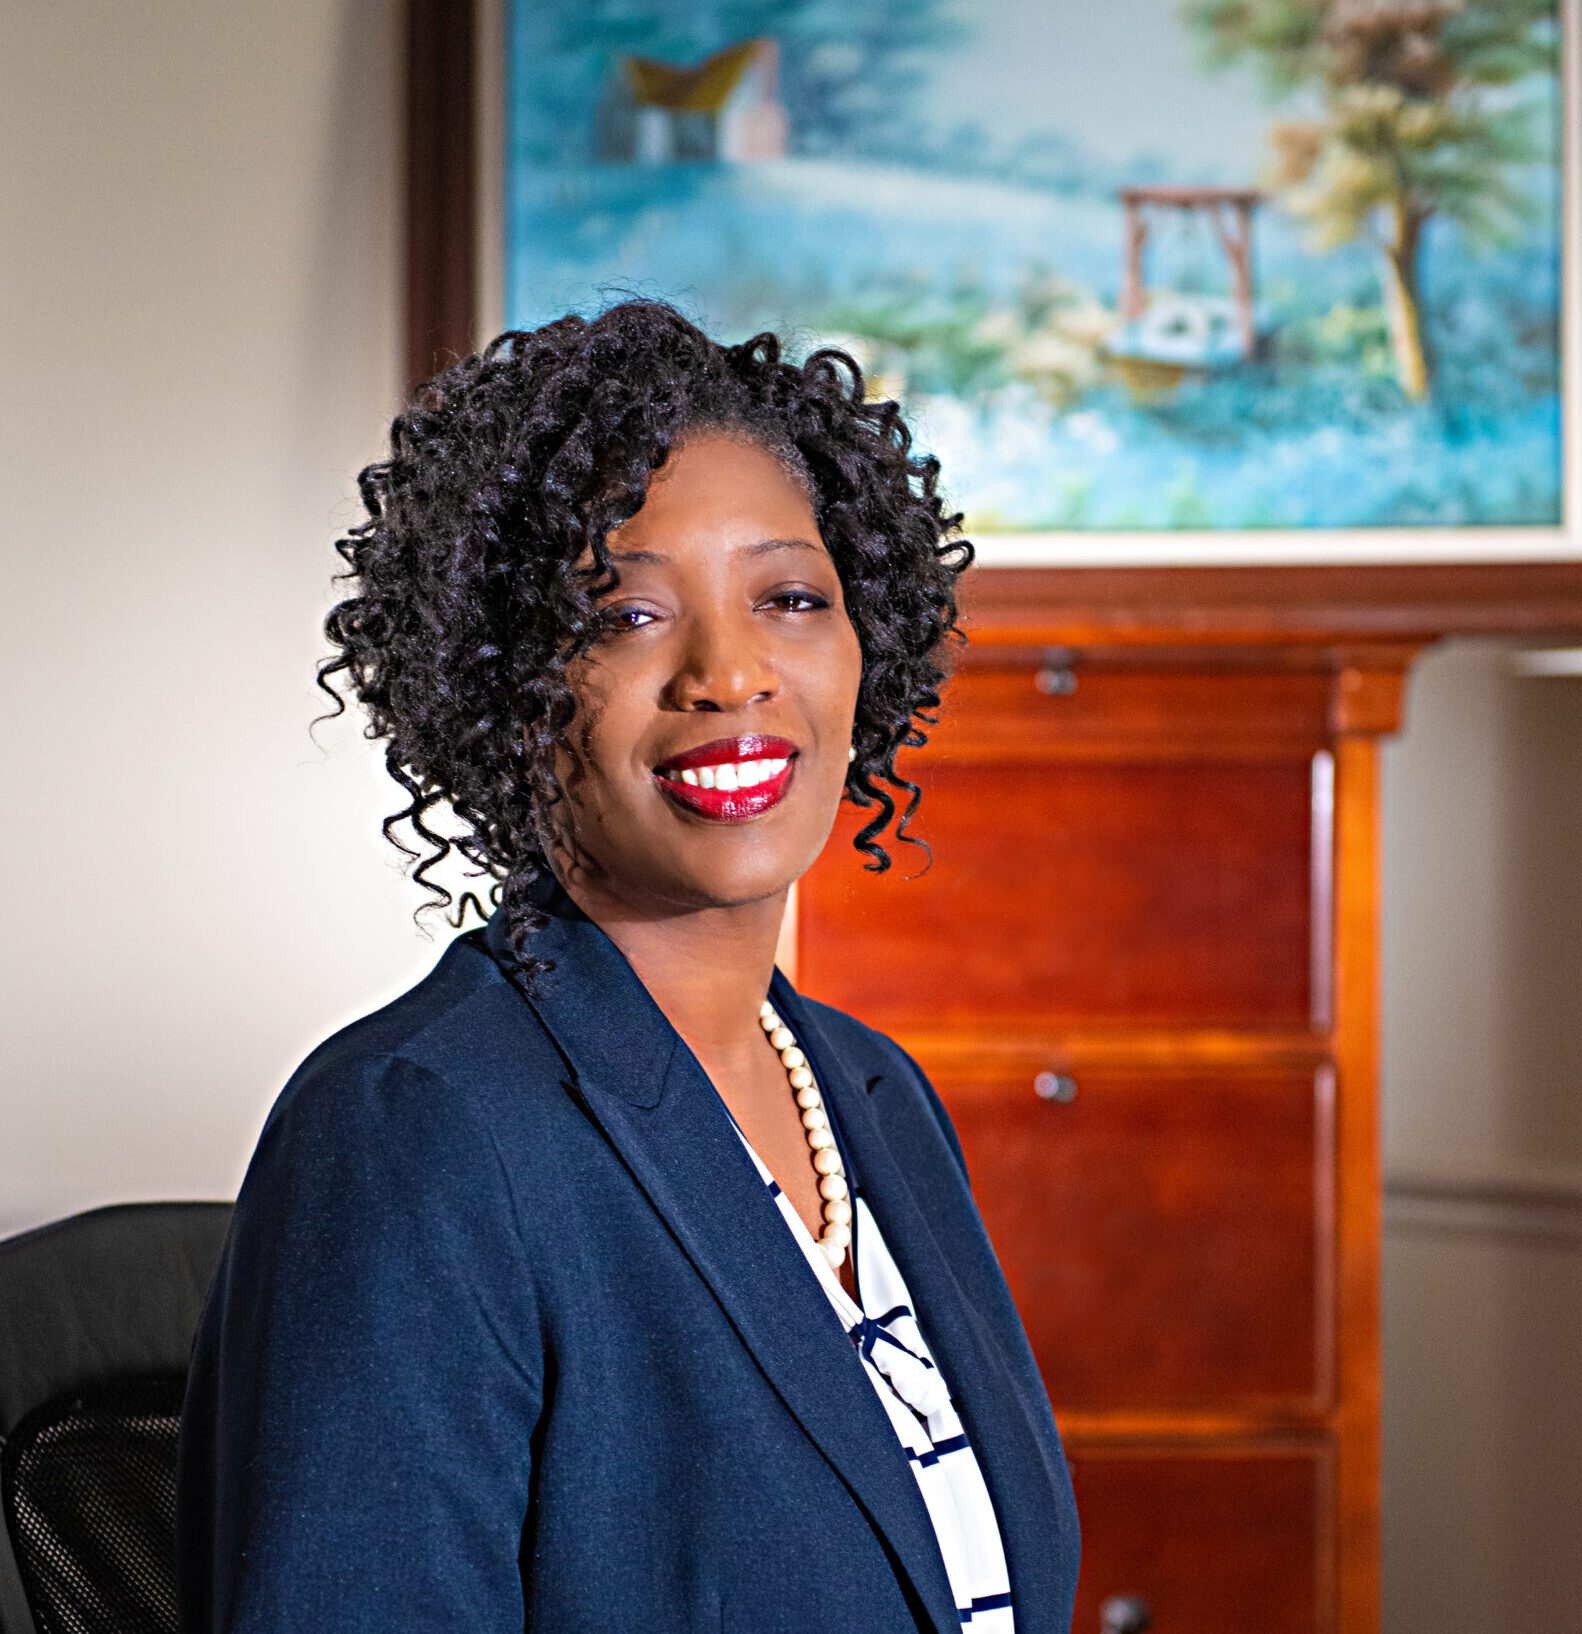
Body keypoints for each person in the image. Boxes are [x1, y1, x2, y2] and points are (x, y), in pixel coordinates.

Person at [175, 299, 1080, 1633]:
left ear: (862, 647)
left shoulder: (873, 1095)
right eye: (624, 614)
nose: (729, 673)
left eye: (787, 597)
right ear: (503, 688)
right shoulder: (413, 1130)